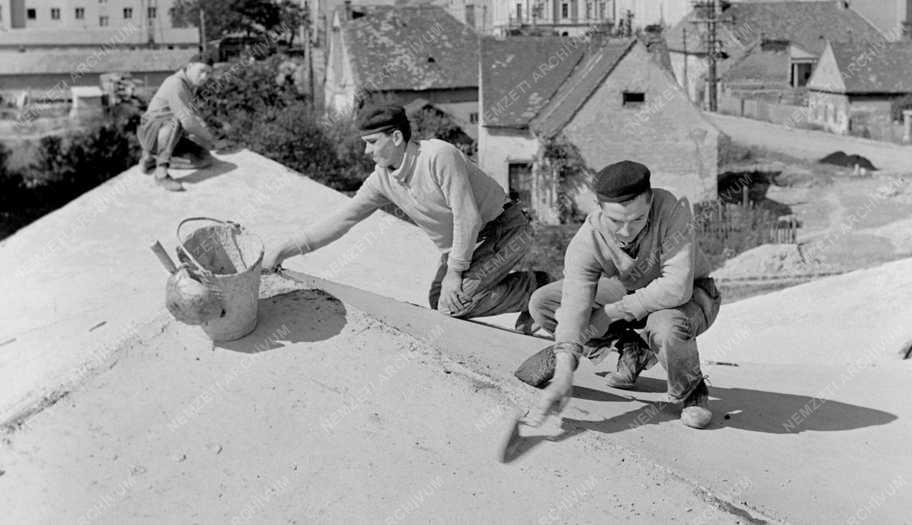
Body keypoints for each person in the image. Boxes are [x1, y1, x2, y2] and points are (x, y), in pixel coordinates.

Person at [262, 104, 546, 328]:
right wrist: (282, 251)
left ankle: (539, 289)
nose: (366, 151)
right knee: (439, 300)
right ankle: (526, 290)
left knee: (454, 303)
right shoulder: (382, 180)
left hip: (506, 229)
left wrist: (455, 272)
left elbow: (468, 217)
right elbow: (341, 220)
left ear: (396, 137)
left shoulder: (437, 156)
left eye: (372, 142)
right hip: (469, 244)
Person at [517, 160, 721, 429]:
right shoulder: (588, 238)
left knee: (666, 327)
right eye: (616, 221)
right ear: (599, 209)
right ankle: (630, 345)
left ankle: (692, 390)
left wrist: (611, 312)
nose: (626, 231)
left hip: (691, 295)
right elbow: (574, 303)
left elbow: (675, 288)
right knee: (544, 303)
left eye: (638, 219)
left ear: (650, 202)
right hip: (630, 289)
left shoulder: (673, 210)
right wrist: (565, 367)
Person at [137, 54, 220, 192]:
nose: (205, 77)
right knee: (175, 122)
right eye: (202, 71)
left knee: (204, 158)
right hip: (151, 132)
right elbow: (187, 121)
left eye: (209, 73)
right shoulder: (176, 83)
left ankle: (151, 158)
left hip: (167, 136)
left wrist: (210, 139)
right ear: (190, 67)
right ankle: (161, 174)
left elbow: (195, 116)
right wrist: (210, 139)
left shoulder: (189, 86)